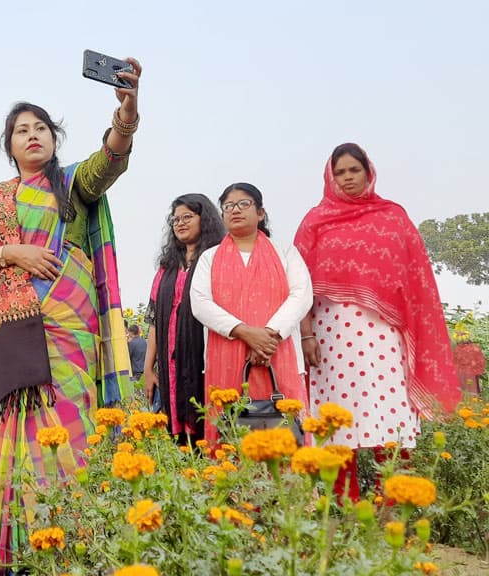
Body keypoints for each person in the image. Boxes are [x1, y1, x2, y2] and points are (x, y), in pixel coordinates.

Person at [0, 58, 140, 565]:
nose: (32, 135)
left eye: (41, 128)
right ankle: (10, 549)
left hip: (65, 324)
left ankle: (70, 543)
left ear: (54, 140)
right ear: (9, 145)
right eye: (21, 130)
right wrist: (13, 253)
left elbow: (111, 161)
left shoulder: (72, 184)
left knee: (68, 424)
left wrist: (127, 112)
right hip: (10, 331)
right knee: (10, 434)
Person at [294, 143, 460, 499]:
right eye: (340, 172)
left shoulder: (392, 217)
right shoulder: (314, 221)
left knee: (389, 413)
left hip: (384, 339)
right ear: (329, 177)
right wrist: (306, 336)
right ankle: (342, 502)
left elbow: (417, 282)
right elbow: (299, 283)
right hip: (330, 339)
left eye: (354, 170)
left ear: (369, 173)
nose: (348, 178)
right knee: (334, 418)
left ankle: (395, 500)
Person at [190, 183, 312, 443]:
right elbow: (200, 303)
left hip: (278, 352)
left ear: (261, 213)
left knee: (288, 438)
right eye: (228, 206)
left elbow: (302, 294)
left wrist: (269, 337)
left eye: (244, 204)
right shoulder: (209, 258)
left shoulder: (285, 253)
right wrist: (245, 333)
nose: (235, 210)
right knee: (230, 437)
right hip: (226, 353)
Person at [146, 193, 225, 441]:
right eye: (175, 219)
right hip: (169, 364)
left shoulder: (216, 260)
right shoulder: (167, 267)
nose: (179, 223)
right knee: (174, 430)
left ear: (205, 219)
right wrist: (148, 368)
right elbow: (154, 320)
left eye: (187, 217)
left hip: (203, 359)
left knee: (205, 418)